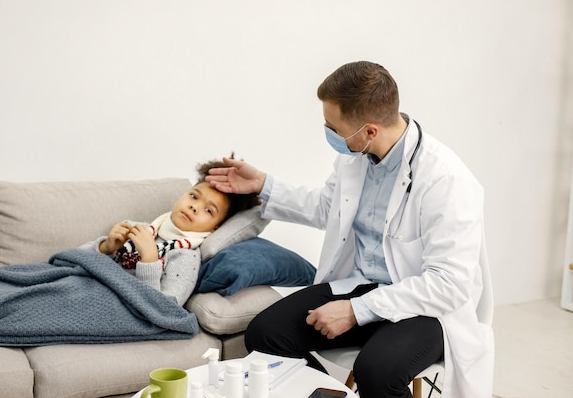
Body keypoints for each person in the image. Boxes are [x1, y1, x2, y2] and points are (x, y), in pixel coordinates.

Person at [206, 61, 494, 398]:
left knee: (377, 371)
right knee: (265, 334)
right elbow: (329, 209)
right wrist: (263, 185)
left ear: (369, 130)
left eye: (333, 127)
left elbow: (449, 284)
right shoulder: (357, 156)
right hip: (361, 285)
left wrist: (357, 311)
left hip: (425, 306)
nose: (329, 132)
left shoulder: (446, 180)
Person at [81, 155, 261, 305]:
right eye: (193, 196)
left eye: (208, 210)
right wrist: (106, 248)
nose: (194, 207)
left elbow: (164, 309)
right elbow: (75, 259)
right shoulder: (134, 228)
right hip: (84, 287)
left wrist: (150, 260)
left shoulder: (185, 257)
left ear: (216, 227)